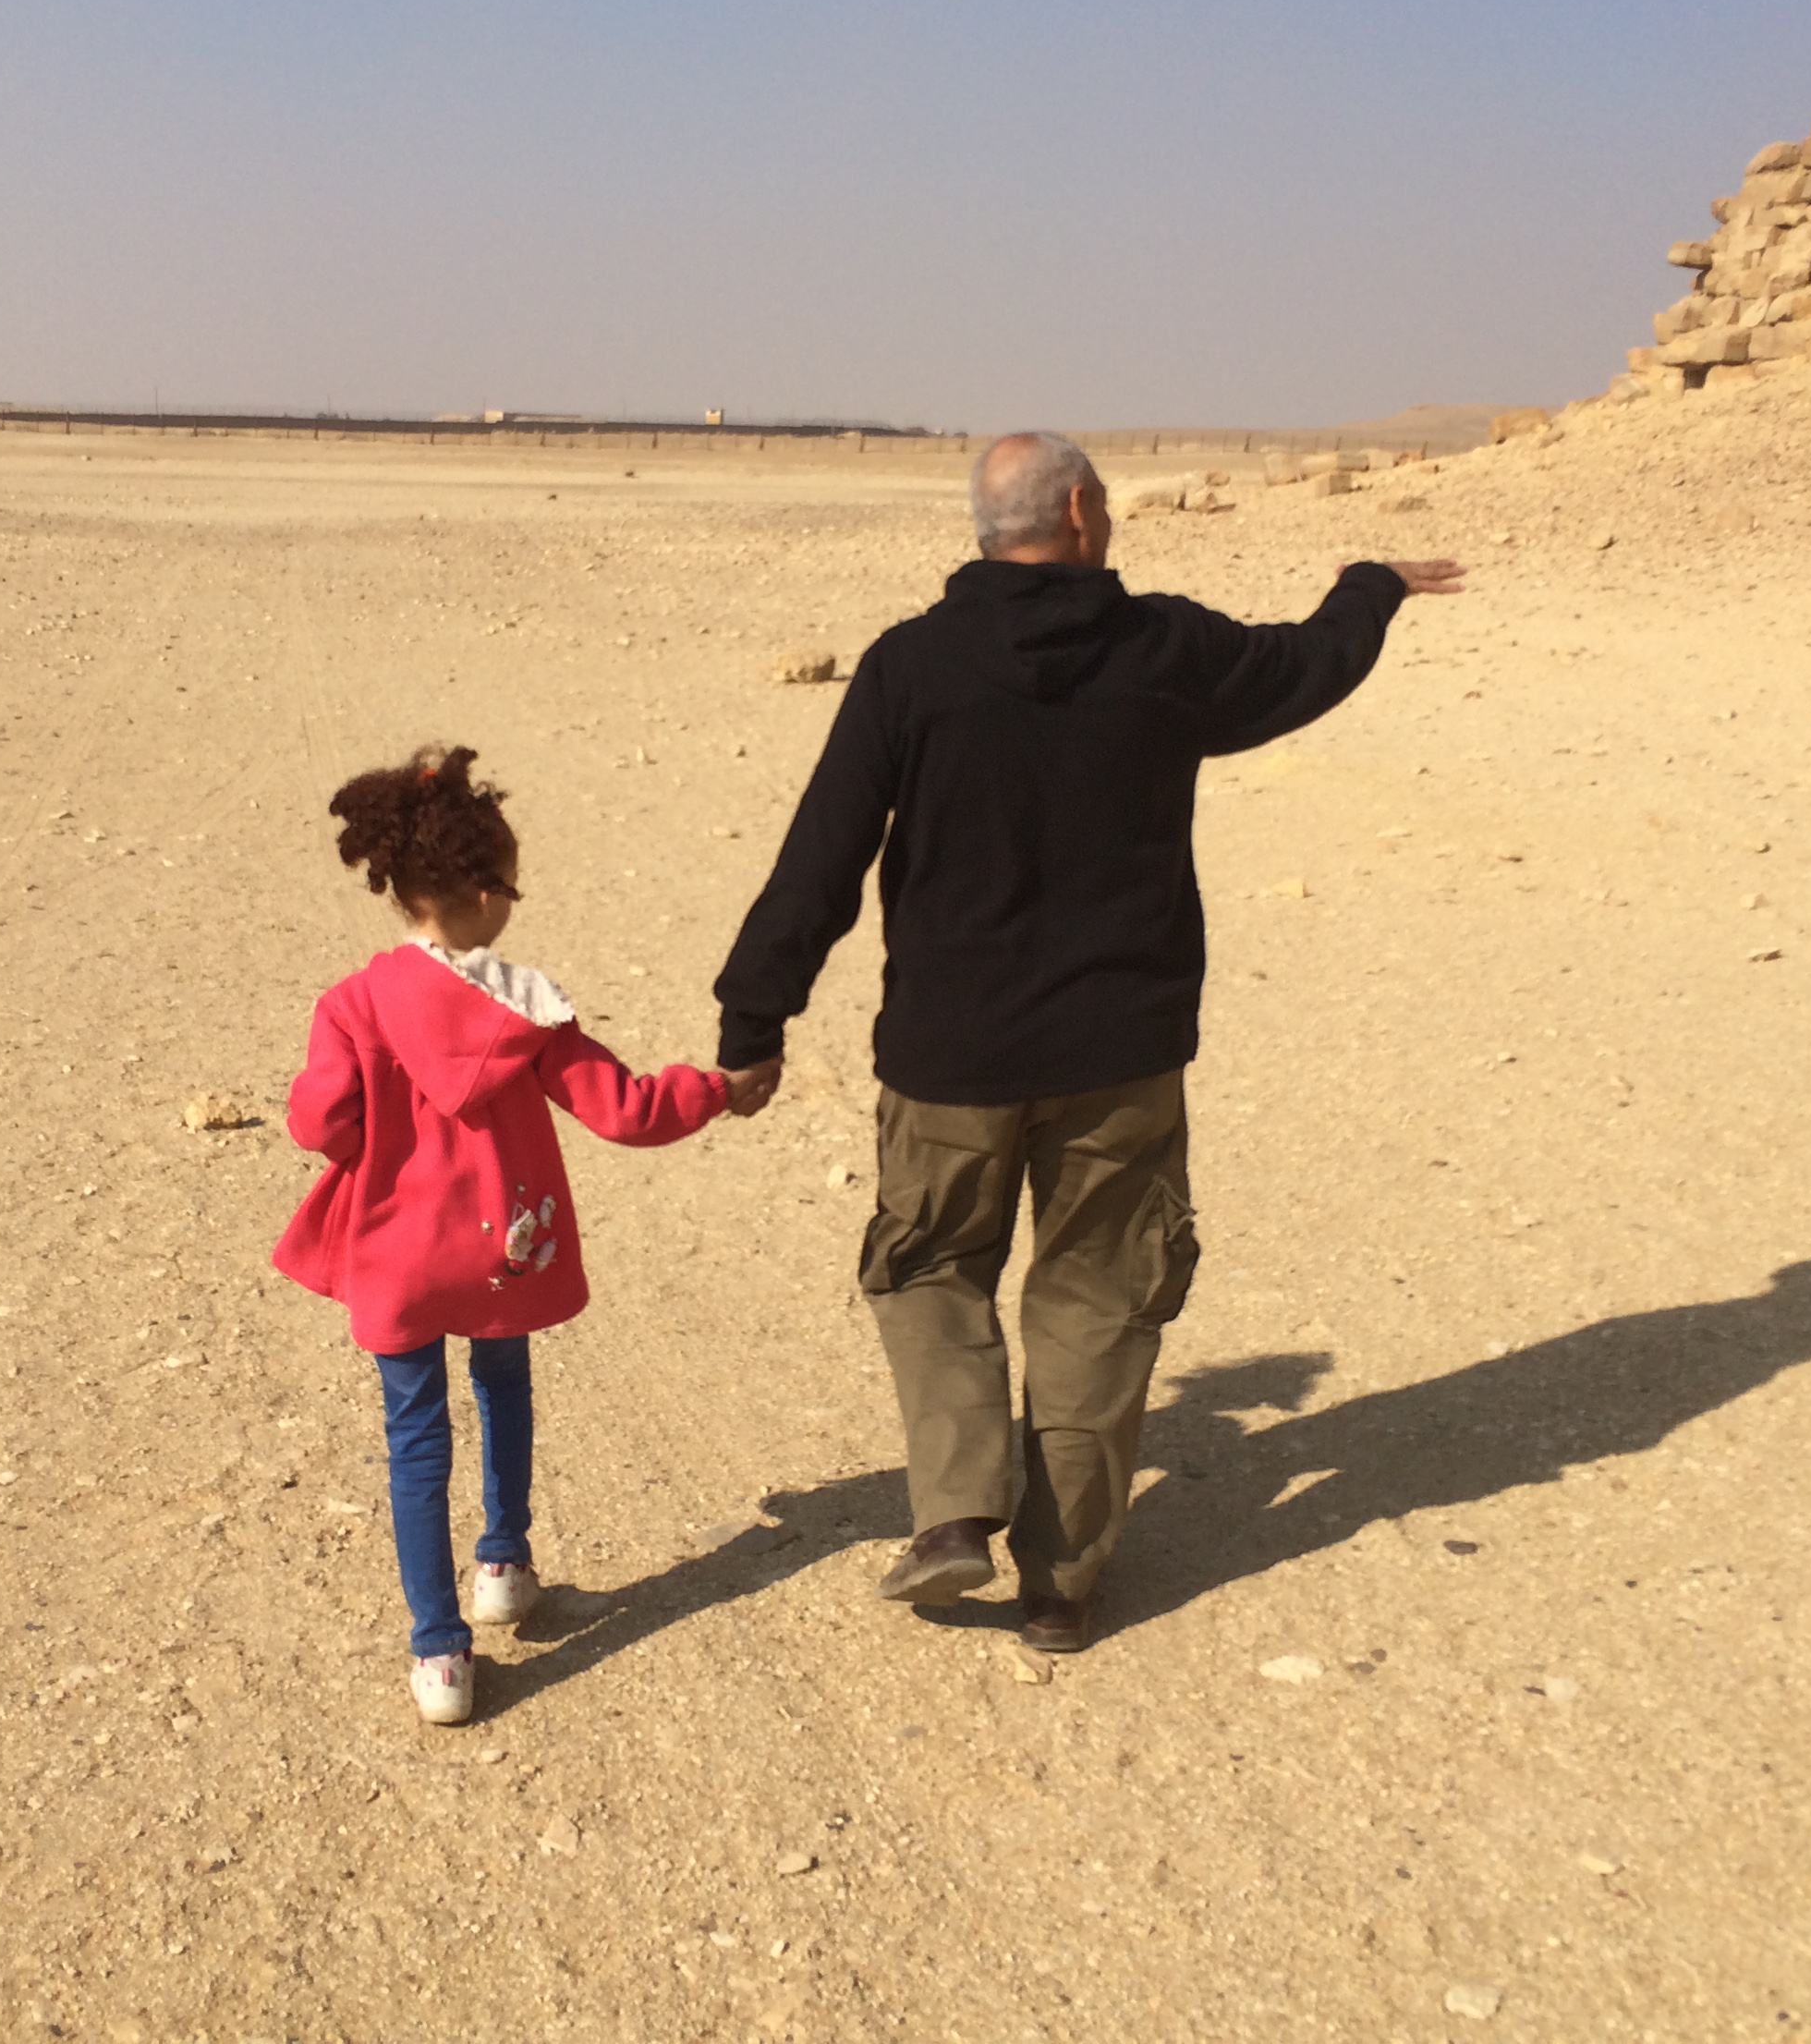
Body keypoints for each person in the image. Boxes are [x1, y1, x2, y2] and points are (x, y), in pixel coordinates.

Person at [711, 432, 1462, 1651]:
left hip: (951, 1058)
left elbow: (824, 854)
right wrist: (1368, 588)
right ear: (1076, 511)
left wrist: (756, 1022)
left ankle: (957, 1513)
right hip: (1121, 1057)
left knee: (930, 1266)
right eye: (1103, 501)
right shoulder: (1164, 650)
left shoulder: (913, 665)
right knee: (1100, 1294)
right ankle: (1060, 1585)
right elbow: (1303, 667)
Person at [277, 746, 778, 1724]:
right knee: (503, 1383)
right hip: (502, 1247)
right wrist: (717, 1090)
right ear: (483, 892)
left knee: (415, 1440)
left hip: (398, 1260)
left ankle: (440, 1655)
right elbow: (626, 1110)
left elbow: (319, 1125)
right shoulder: (527, 1008)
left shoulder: (353, 1006)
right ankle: (503, 1562)